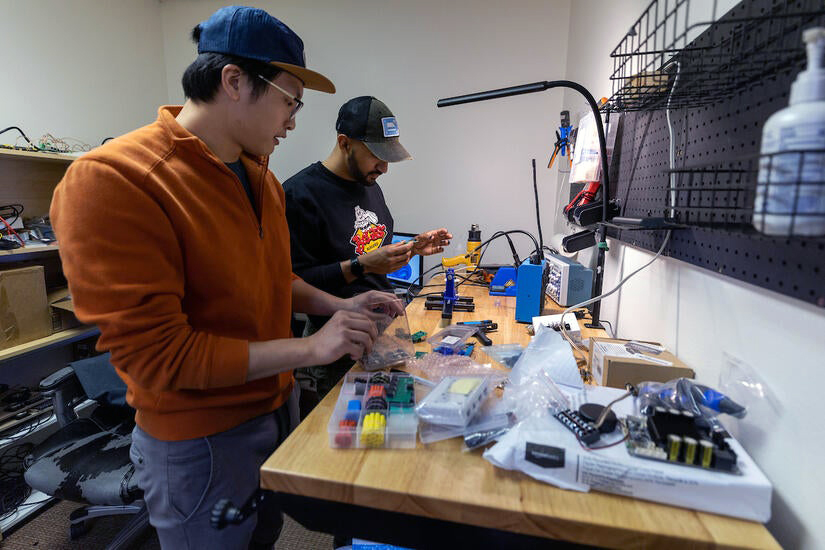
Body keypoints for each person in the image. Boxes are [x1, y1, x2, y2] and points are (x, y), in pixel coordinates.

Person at [49, 6, 399, 549]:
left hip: (273, 411)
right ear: (234, 81)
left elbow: (271, 280)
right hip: (200, 442)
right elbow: (159, 358)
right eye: (289, 100)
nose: (293, 120)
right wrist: (309, 351)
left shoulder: (261, 178)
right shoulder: (116, 180)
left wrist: (339, 307)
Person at [283, 96, 451, 412]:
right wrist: (361, 266)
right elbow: (293, 285)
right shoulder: (299, 195)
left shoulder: (369, 184)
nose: (384, 167)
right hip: (335, 349)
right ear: (345, 143)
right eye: (376, 155)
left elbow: (368, 255)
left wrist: (412, 248)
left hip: (382, 337)